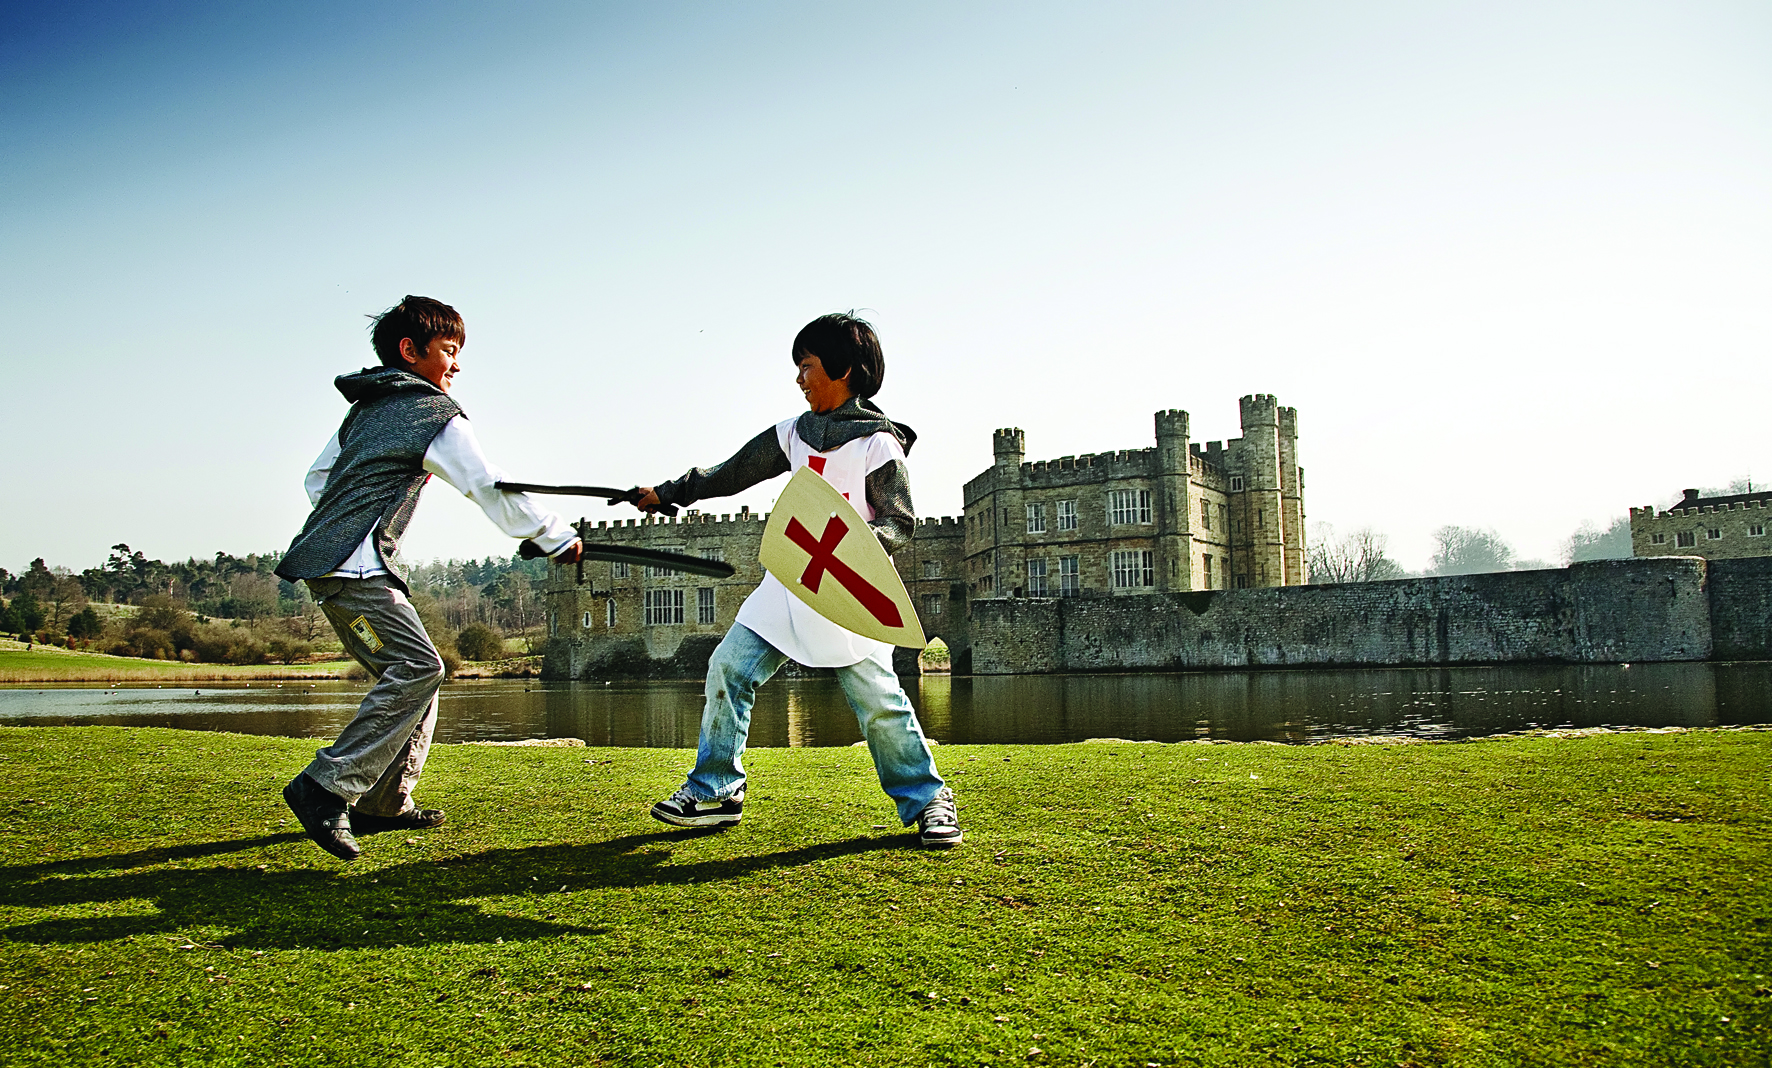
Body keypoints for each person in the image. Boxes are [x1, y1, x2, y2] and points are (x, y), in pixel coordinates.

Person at [632, 312, 960, 847]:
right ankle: (716, 790)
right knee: (728, 668)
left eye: (806, 366)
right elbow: (729, 473)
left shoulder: (879, 445)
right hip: (789, 584)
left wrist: (858, 554)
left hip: (848, 592)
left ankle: (928, 802)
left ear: (845, 369)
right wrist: (669, 492)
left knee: (879, 702)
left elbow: (899, 524)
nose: (799, 378)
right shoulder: (794, 434)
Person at [274, 295, 583, 860]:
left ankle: (384, 802)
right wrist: (554, 536)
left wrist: (347, 515)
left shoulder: (365, 411)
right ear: (409, 351)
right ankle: (325, 786)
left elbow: (317, 480)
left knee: (418, 674)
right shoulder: (431, 412)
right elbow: (489, 484)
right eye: (449, 351)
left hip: (337, 567)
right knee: (418, 667)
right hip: (356, 570)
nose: (456, 366)